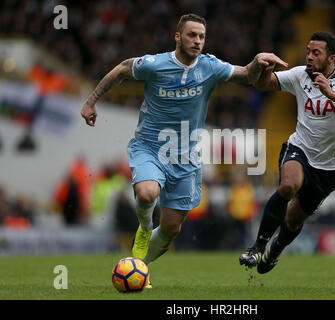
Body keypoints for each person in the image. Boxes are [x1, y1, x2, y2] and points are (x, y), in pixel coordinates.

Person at [81, 13, 286, 286]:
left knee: (171, 228)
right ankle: (144, 226)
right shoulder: (155, 64)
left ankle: (138, 267)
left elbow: (247, 75)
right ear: (177, 36)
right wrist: (92, 101)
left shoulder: (210, 67)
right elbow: (121, 69)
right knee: (146, 193)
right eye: (191, 35)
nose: (197, 41)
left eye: (201, 36)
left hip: (186, 157)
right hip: (150, 147)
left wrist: (258, 62)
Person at [239, 31, 335, 274]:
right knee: (289, 185)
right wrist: (265, 70)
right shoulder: (300, 75)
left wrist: (331, 94)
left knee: (293, 220)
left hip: (330, 166)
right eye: (308, 51)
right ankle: (258, 247)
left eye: (316, 53)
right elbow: (262, 85)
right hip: (299, 148)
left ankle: (276, 249)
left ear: (331, 58)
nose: (309, 57)